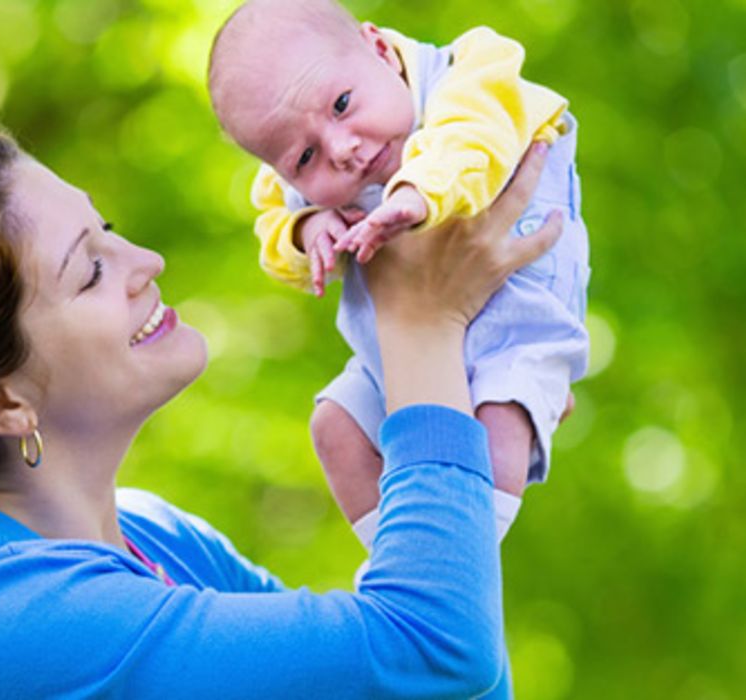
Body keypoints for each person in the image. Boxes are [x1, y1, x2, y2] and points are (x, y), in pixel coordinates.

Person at [0, 128, 561, 699]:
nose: (145, 259)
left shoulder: (154, 542)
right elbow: (437, 653)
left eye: (105, 231)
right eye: (88, 269)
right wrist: (419, 329)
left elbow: (445, 676)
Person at [207, 0, 590, 558]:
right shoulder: (294, 184)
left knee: (499, 437)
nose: (343, 151)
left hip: (520, 324)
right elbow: (272, 227)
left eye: (342, 104)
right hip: (393, 356)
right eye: (304, 157)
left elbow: (475, 137)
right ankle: (401, 566)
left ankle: (455, 571)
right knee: (333, 426)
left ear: (381, 50)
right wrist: (305, 227)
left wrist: (418, 194)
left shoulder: (472, 73)